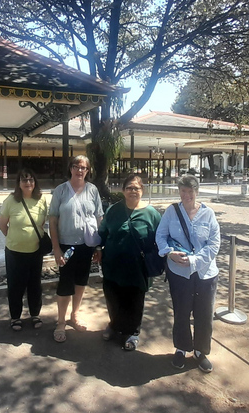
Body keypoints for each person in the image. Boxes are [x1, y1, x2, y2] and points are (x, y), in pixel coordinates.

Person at [156, 175, 221, 373]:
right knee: (181, 312)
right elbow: (161, 236)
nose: (186, 195)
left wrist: (194, 261)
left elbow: (214, 243)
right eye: (183, 191)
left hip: (204, 273)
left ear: (197, 192)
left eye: (190, 191)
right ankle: (181, 348)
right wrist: (168, 253)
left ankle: (201, 351)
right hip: (179, 273)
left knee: (204, 313)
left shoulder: (208, 214)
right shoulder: (171, 212)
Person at [97, 175, 161, 351]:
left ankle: (133, 332)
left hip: (137, 267)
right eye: (129, 187)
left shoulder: (152, 214)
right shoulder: (113, 210)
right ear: (123, 190)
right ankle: (114, 325)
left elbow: (161, 239)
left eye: (136, 188)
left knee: (134, 300)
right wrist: (97, 248)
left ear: (142, 191)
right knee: (113, 297)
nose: (133, 191)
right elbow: (102, 232)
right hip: (113, 264)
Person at [49, 155, 104, 343]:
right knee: (65, 282)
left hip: (87, 245)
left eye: (84, 168)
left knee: (81, 282)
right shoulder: (61, 191)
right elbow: (53, 220)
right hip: (66, 245)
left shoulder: (92, 190)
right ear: (70, 168)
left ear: (88, 171)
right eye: (76, 166)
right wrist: (56, 248)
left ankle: (75, 315)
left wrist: (98, 245)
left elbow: (99, 218)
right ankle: (61, 321)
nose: (80, 170)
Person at [0, 168, 49, 331]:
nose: (28, 183)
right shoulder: (11, 200)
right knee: (15, 285)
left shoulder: (41, 200)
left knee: (35, 284)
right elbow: (1, 224)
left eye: (31, 180)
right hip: (15, 252)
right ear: (18, 183)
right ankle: (15, 317)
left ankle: (35, 314)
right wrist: (14, 237)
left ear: (35, 182)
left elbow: (41, 224)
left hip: (35, 251)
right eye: (24, 180)